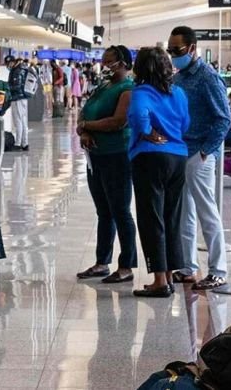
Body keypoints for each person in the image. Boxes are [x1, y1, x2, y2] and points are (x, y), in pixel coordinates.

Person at [169, 26, 231, 290]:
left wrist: (206, 151)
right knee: (186, 212)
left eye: (177, 50)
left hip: (200, 154)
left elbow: (223, 119)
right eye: (170, 50)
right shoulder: (179, 77)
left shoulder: (207, 77)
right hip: (182, 150)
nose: (173, 55)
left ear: (192, 48)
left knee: (207, 212)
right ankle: (187, 266)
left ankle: (218, 270)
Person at [127, 47, 190, 297]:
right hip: (178, 157)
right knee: (171, 216)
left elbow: (137, 115)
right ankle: (170, 275)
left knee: (151, 216)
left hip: (149, 157)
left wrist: (146, 131)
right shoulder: (179, 93)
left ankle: (159, 281)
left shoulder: (141, 92)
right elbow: (185, 123)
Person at [76, 45, 137, 283]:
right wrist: (83, 130)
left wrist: (87, 127)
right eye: (103, 60)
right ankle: (102, 261)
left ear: (122, 63)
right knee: (104, 211)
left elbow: (118, 122)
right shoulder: (103, 86)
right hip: (96, 156)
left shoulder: (128, 89)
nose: (104, 65)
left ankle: (127, 265)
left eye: (109, 61)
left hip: (117, 155)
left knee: (121, 210)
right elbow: (84, 113)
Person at [6, 55, 30, 152]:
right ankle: (25, 143)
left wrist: (6, 87)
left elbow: (17, 86)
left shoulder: (17, 70)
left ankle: (18, 143)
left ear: (12, 62)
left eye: (8, 64)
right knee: (23, 121)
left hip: (18, 98)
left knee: (18, 121)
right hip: (23, 98)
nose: (8, 66)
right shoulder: (22, 68)